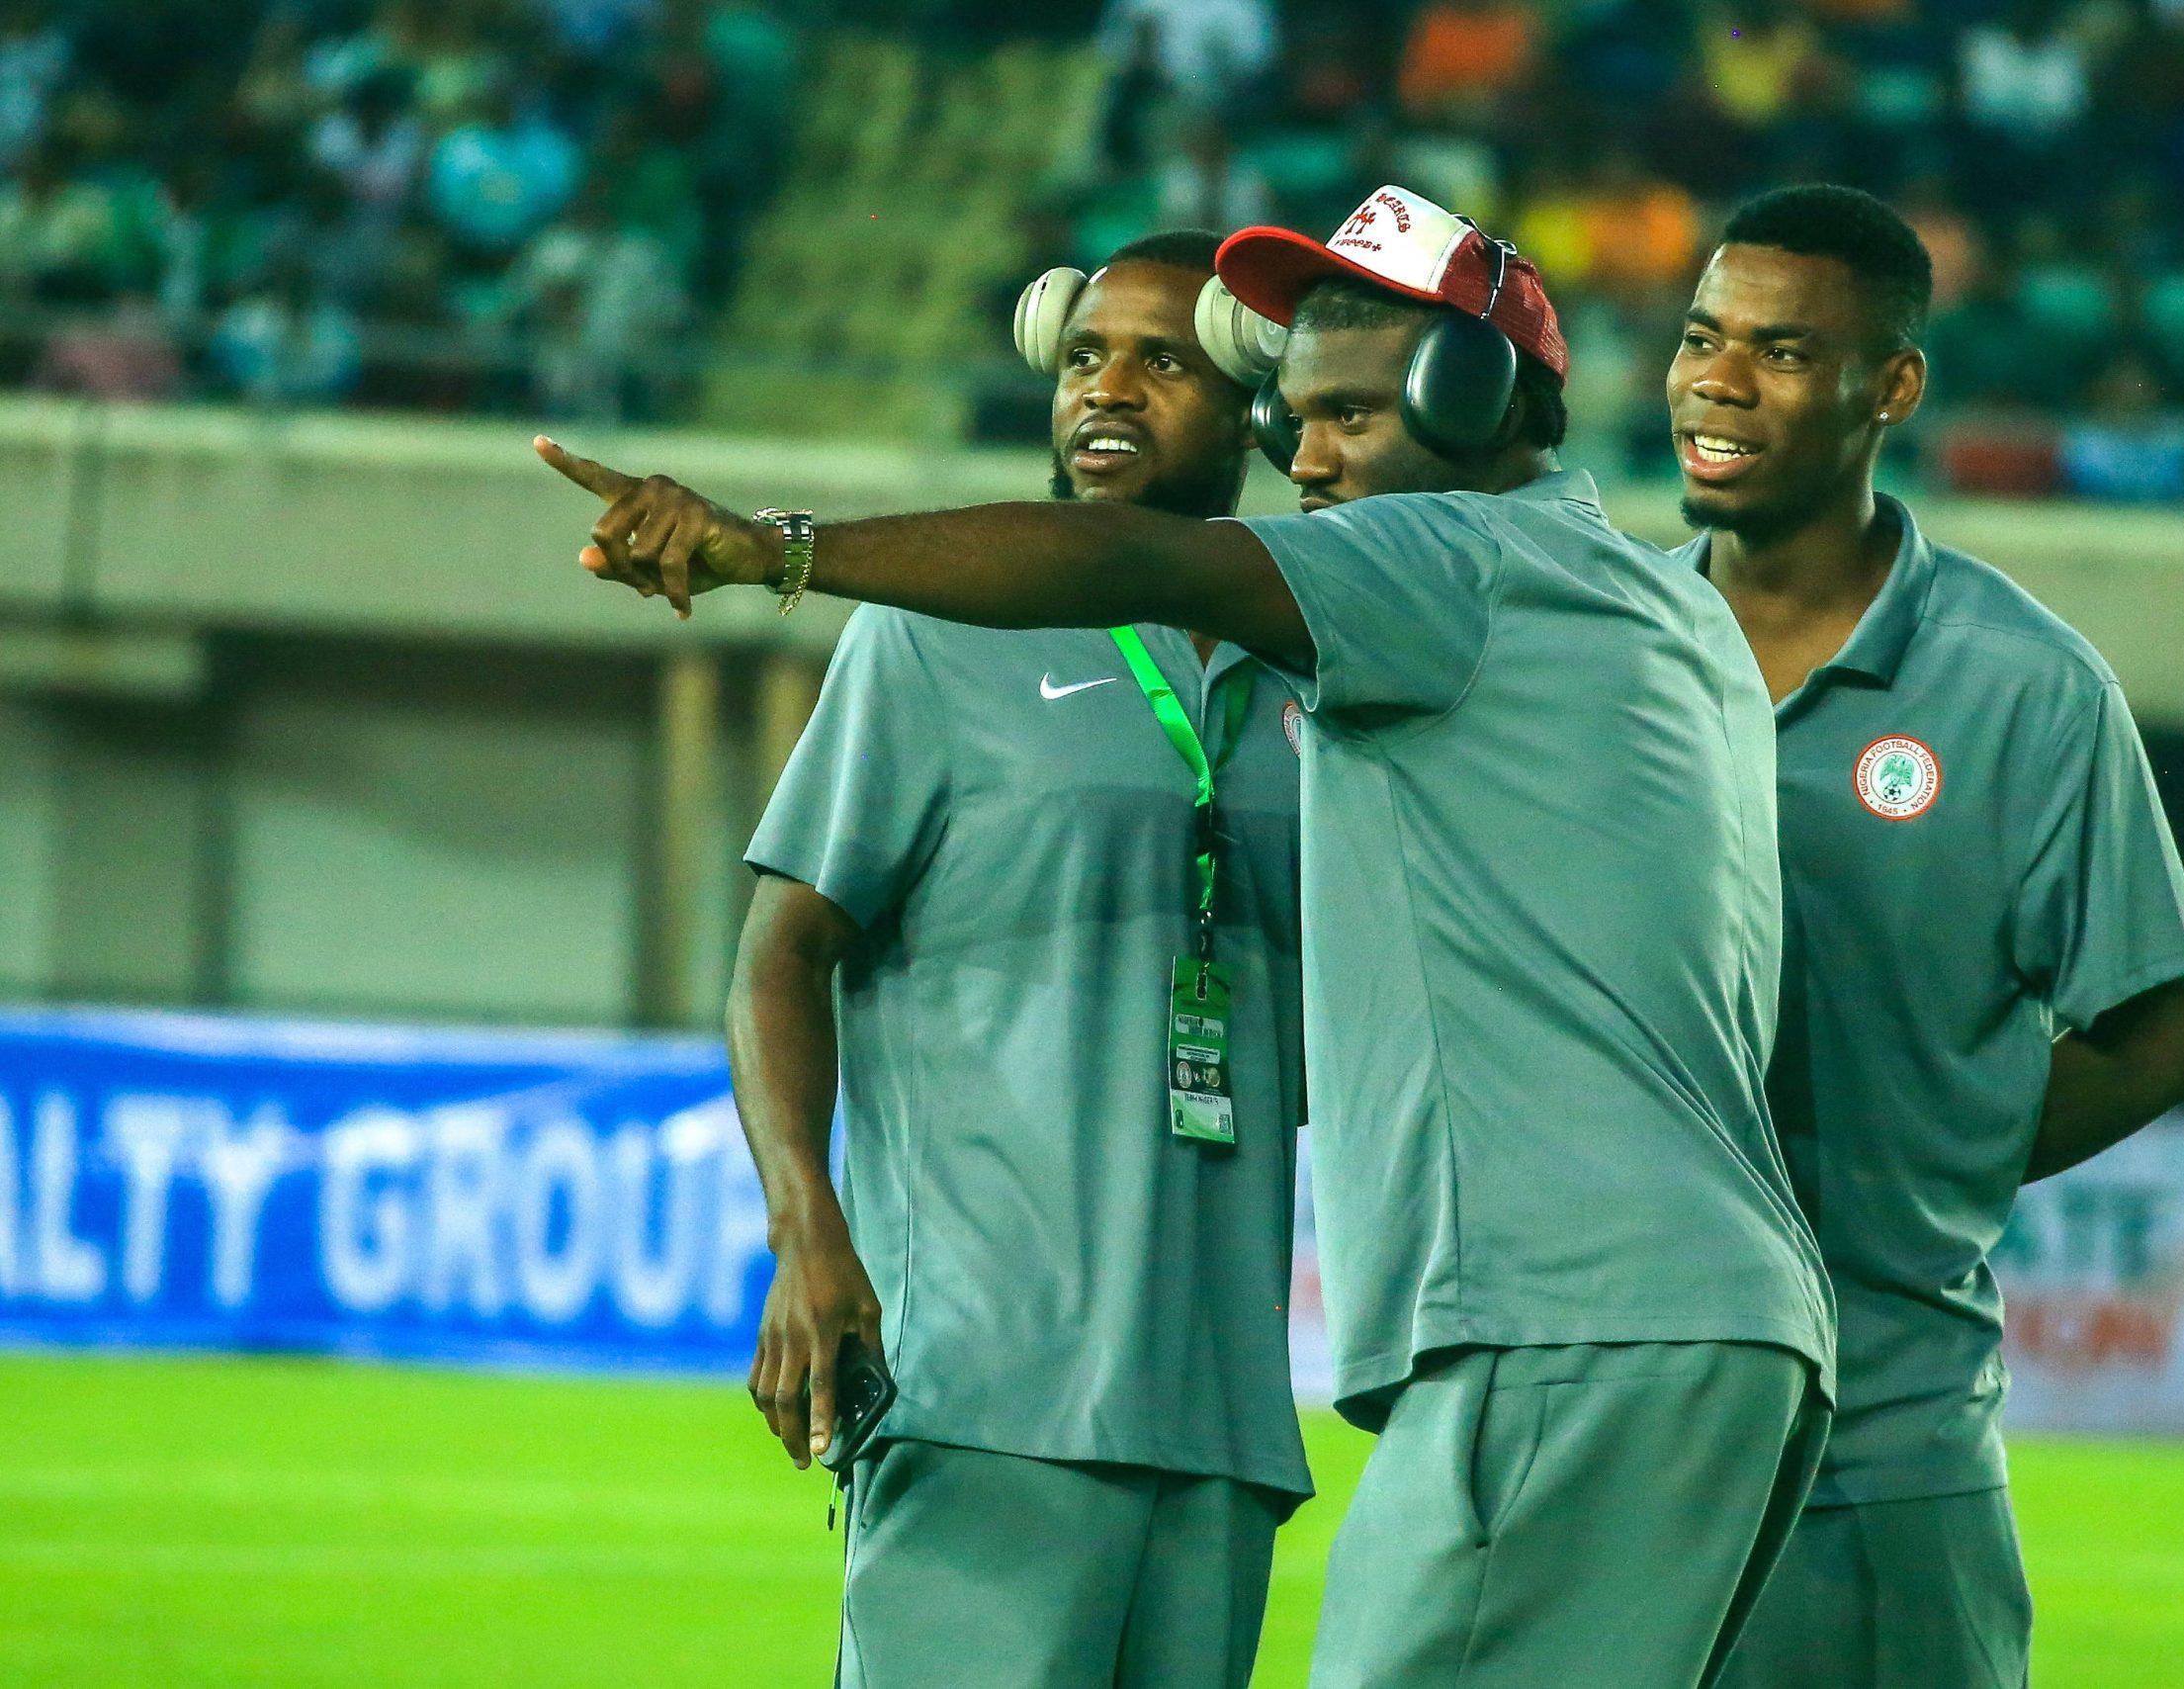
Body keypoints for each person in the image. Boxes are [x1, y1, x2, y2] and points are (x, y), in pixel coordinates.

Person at [535, 184, 1836, 1689]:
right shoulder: (1673, 616)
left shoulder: (1427, 583)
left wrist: (776, 550)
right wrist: (806, 1226)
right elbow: (788, 941)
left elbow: (1139, 564)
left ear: (1473, 398)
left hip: (1547, 1330)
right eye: (1300, 419)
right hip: (1685, 1331)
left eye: (1343, 415)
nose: (1316, 458)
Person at [723, 230, 1311, 1689]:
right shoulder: (934, 638)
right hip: (985, 1392)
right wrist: (810, 1234)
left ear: (1255, 394)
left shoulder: (1324, 668)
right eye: (1084, 356)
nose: (1104, 390)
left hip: (1225, 1419)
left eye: (1162, 361)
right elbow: (779, 957)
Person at [1668, 184, 2184, 1689]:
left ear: (1890, 387)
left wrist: (1925, 1157)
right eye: (1705, 337)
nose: (1719, 379)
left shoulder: (2026, 688)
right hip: (1622, 1440)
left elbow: (2159, 1036)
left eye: (1781, 351)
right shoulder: (1603, 655)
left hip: (1882, 1439)